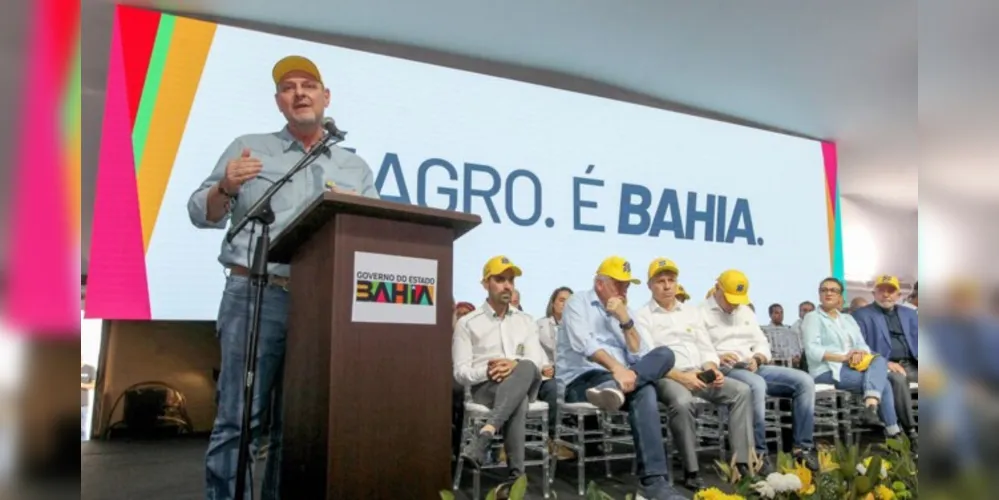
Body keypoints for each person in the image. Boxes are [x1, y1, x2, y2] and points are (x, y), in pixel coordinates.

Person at [187, 55, 378, 500]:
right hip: (253, 293)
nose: (299, 93)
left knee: (297, 423)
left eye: (308, 84)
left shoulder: (355, 167)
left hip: (319, 302)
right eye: (289, 87)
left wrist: (357, 211)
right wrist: (226, 188)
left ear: (325, 97)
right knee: (239, 417)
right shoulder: (249, 147)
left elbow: (376, 233)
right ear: (279, 102)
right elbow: (202, 212)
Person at [556, 256, 684, 500]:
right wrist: (618, 369)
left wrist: (625, 321)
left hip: (621, 381)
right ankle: (654, 483)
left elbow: (640, 354)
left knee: (664, 354)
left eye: (627, 285)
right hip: (583, 379)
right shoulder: (577, 302)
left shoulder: (625, 311)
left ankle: (654, 483)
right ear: (600, 284)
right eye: (619, 284)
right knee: (643, 389)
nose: (624, 290)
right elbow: (585, 345)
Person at [635, 258, 755, 487]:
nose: (668, 286)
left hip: (700, 372)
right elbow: (648, 357)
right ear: (650, 286)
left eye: (672, 280)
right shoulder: (642, 316)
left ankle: (741, 463)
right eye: (661, 281)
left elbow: (705, 347)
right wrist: (683, 378)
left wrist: (712, 368)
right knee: (681, 401)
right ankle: (691, 469)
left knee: (742, 390)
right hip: (668, 376)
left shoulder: (691, 312)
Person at [701, 270, 818, 471]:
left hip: (754, 365)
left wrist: (758, 357)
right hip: (726, 370)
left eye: (738, 299)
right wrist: (717, 357)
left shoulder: (745, 311)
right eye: (730, 299)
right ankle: (758, 454)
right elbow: (700, 348)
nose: (734, 304)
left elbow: (762, 342)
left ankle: (802, 448)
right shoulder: (700, 313)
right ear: (718, 287)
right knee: (756, 384)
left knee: (804, 381)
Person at [452, 256, 548, 479]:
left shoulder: (526, 320)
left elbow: (536, 362)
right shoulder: (468, 323)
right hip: (486, 387)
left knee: (524, 366)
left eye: (511, 280)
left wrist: (513, 365)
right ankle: (516, 477)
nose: (507, 285)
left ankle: (485, 435)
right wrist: (488, 371)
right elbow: (460, 372)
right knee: (517, 399)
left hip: (526, 380)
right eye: (500, 279)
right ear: (486, 283)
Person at [802, 277, 906, 441]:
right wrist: (843, 358)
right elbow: (812, 350)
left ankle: (872, 406)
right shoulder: (812, 318)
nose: (828, 293)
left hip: (853, 366)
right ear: (819, 294)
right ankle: (893, 431)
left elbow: (862, 344)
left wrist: (859, 352)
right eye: (824, 290)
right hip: (828, 370)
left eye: (833, 290)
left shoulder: (847, 319)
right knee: (883, 383)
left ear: (840, 297)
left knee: (878, 359)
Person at [851, 275, 919, 449]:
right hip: (884, 365)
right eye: (882, 290)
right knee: (897, 380)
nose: (886, 295)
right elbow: (860, 346)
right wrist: (885, 362)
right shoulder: (862, 315)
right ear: (874, 293)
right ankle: (910, 432)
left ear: (898, 295)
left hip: (913, 363)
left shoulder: (909, 313)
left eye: (891, 291)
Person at [536, 287, 576, 460]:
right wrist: (545, 366)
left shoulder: (577, 328)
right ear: (553, 304)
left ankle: (587, 443)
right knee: (554, 388)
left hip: (571, 373)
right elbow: (535, 351)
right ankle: (554, 439)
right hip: (547, 374)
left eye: (569, 301)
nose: (565, 304)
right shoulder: (539, 325)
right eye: (561, 300)